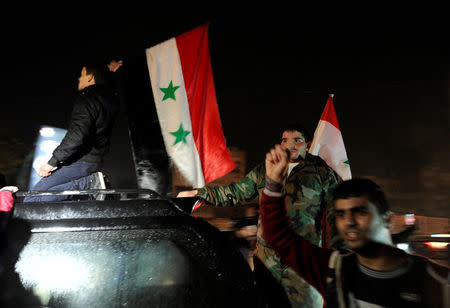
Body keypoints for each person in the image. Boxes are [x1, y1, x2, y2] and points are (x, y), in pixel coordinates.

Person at [261, 144, 450, 307]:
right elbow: (279, 238)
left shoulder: (434, 280)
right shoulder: (334, 270)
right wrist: (273, 183)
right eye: (341, 214)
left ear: (387, 218)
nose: (349, 222)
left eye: (360, 211)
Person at [178, 124, 341, 308]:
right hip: (267, 259)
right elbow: (235, 192)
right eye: (285, 140)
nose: (290, 145)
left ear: (308, 144)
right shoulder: (265, 170)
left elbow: (337, 212)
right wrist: (200, 194)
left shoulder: (321, 172)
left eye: (297, 140)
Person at [24, 61, 122, 202]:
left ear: (90, 78)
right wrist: (109, 71)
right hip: (94, 160)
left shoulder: (87, 97)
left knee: (31, 200)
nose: (78, 78)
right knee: (41, 196)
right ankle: (90, 185)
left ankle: (90, 184)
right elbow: (106, 85)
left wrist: (51, 163)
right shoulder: (110, 99)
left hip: (80, 161)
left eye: (82, 75)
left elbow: (76, 136)